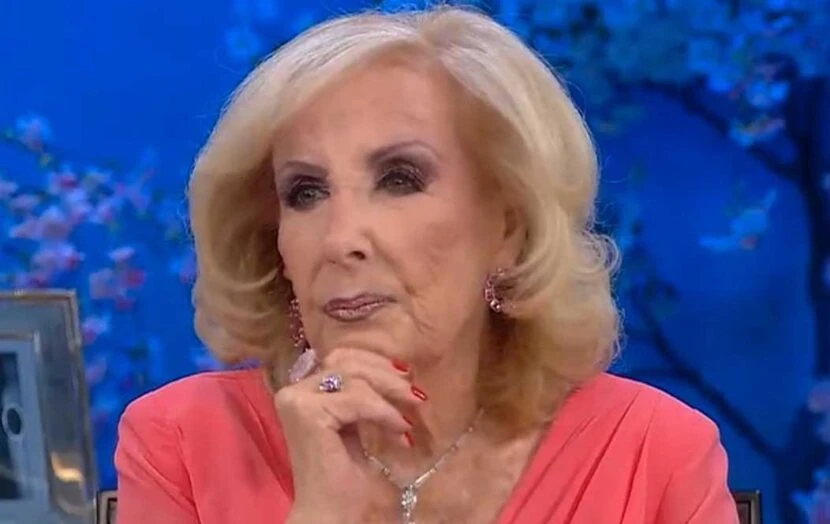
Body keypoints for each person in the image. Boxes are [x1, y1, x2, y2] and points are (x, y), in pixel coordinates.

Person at [113, 5, 740, 523]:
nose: (340, 239)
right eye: (304, 192)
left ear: (508, 227)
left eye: (399, 179)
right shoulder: (180, 443)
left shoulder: (656, 454)